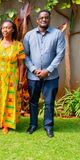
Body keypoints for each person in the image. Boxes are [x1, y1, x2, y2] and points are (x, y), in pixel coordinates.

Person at [23, 10, 65, 138]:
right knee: (33, 101)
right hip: (33, 76)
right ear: (37, 20)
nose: (44, 20)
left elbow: (60, 54)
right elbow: (25, 55)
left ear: (49, 19)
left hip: (51, 76)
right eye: (41, 18)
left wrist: (48, 70)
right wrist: (34, 69)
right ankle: (33, 124)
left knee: (49, 101)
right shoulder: (29, 35)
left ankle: (48, 126)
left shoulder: (57, 34)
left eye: (46, 18)